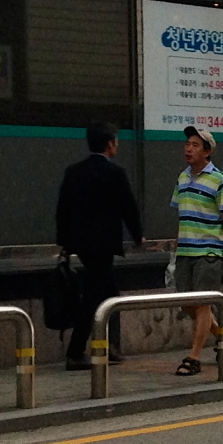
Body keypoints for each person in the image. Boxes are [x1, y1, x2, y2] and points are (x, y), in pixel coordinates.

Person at [55, 121, 144, 371]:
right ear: (109, 144)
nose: (117, 146)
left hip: (81, 245)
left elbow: (63, 210)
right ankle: (76, 352)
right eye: (116, 141)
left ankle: (108, 346)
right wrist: (138, 236)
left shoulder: (74, 172)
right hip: (104, 245)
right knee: (94, 297)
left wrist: (64, 241)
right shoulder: (115, 174)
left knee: (110, 294)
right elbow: (129, 208)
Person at [171, 126, 223, 376]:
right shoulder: (182, 178)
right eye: (187, 144)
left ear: (207, 152)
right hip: (185, 251)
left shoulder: (220, 179)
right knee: (187, 304)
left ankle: (194, 357)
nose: (189, 149)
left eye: (195, 145)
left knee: (202, 305)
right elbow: (181, 216)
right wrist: (175, 248)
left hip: (210, 251)